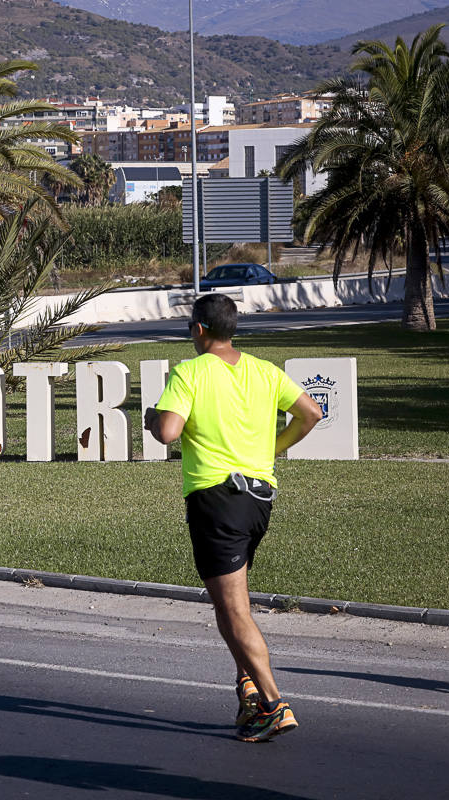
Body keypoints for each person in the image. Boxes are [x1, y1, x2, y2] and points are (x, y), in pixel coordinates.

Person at [145, 293, 321, 742]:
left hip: (215, 499)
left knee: (235, 609)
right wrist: (271, 450)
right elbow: (312, 413)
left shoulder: (190, 371)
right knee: (229, 603)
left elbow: (168, 432)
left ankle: (273, 704)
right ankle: (246, 687)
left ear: (199, 330)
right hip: (259, 500)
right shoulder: (265, 370)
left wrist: (152, 419)